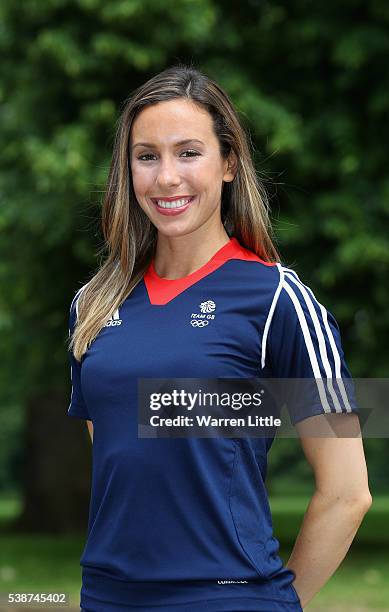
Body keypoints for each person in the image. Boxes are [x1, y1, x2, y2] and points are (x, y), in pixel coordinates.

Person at [67, 64, 372, 612]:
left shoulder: (277, 299)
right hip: (106, 598)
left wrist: (274, 603)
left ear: (228, 164)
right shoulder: (93, 305)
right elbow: (116, 456)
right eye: (147, 156)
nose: (166, 178)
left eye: (188, 152)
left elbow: (348, 493)